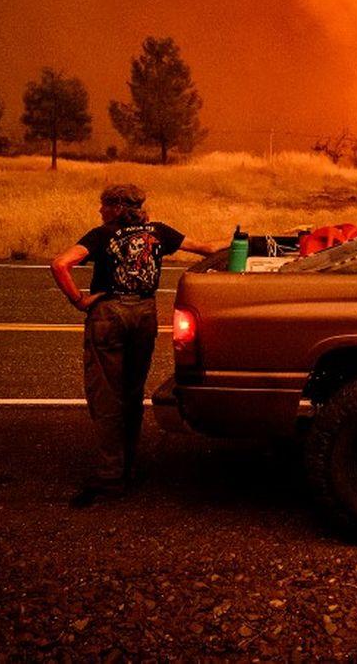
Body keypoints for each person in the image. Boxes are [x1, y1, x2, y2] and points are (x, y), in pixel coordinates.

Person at [51, 184, 219, 508]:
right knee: (132, 392)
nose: (100, 212)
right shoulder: (159, 232)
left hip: (109, 313)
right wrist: (248, 243)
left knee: (106, 396)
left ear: (115, 207)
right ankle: (128, 466)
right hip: (144, 314)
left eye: (103, 206)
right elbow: (207, 247)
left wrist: (79, 300)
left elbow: (60, 265)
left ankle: (110, 477)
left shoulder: (102, 235)